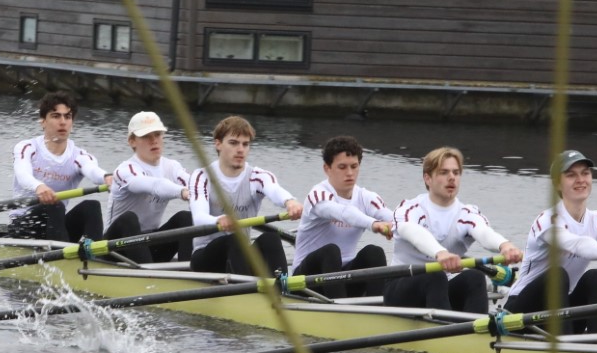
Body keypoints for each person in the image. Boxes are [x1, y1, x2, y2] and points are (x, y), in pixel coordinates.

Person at [384, 146, 523, 314]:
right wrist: (440, 253)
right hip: (401, 290)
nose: (451, 178)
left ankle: (475, 327)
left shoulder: (467, 213)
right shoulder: (409, 208)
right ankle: (445, 327)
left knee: (475, 277)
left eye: (456, 173)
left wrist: (505, 245)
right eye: (444, 172)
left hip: (440, 289)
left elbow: (483, 232)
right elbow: (413, 232)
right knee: (435, 274)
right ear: (427, 178)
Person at [504, 149, 597, 333]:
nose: (580, 180)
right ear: (557, 184)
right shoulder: (547, 220)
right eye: (571, 175)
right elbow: (577, 244)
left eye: (585, 173)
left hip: (562, 309)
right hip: (523, 311)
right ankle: (566, 344)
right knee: (558, 275)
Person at [188, 116, 304, 275]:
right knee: (235, 240)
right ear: (218, 144)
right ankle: (246, 287)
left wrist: (290, 202)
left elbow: (274, 190)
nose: (240, 149)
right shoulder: (201, 176)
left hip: (239, 254)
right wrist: (219, 220)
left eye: (245, 144)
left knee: (271, 238)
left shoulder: (257, 176)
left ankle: (281, 285)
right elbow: (198, 217)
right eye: (233, 143)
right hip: (206, 257)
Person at [290, 136, 393, 298]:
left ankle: (378, 305)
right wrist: (374, 224)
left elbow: (395, 219)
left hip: (343, 278)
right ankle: (340, 308)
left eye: (354, 166)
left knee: (374, 252)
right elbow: (344, 213)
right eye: (342, 167)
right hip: (306, 281)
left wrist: (400, 227)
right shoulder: (318, 195)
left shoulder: (367, 197)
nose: (350, 173)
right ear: (327, 168)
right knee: (331, 251)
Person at [4, 91, 107, 241]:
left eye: (67, 117)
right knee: (56, 205)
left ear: (72, 122)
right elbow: (22, 175)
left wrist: (107, 178)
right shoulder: (27, 147)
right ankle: (61, 252)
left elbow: (93, 171)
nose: (63, 122)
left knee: (92, 206)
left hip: (56, 226)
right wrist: (39, 187)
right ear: (43, 121)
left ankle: (93, 251)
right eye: (56, 116)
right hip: (25, 225)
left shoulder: (80, 156)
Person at [105, 111, 194, 264]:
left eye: (157, 134)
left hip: (148, 244)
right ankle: (149, 275)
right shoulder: (125, 170)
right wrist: (183, 192)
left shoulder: (172, 167)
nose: (154, 141)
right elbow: (155, 185)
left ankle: (191, 273)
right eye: (146, 136)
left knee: (185, 218)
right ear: (132, 141)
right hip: (115, 249)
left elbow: (195, 183)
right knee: (129, 219)